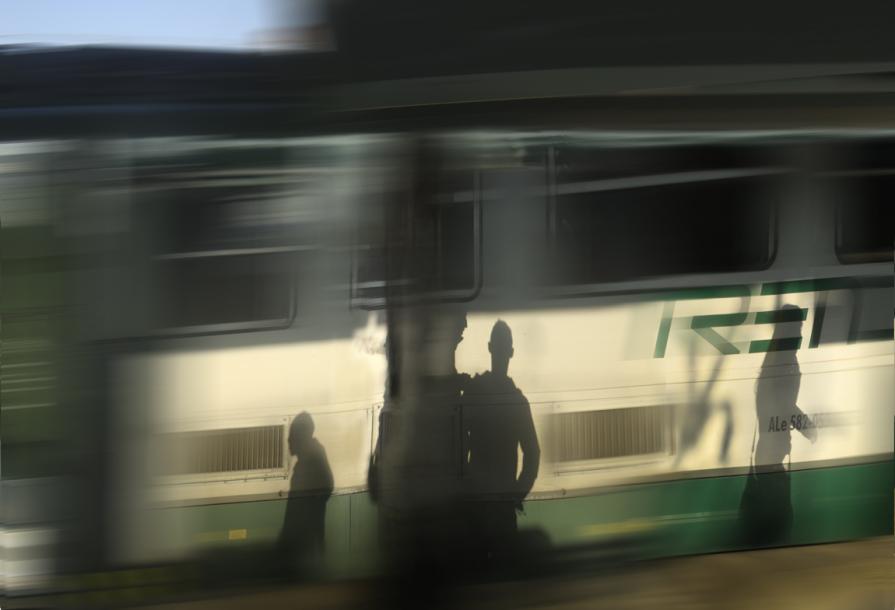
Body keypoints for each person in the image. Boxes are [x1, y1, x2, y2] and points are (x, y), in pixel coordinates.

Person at [463, 320, 539, 562]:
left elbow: (459, 445)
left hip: (476, 501)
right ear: (512, 352)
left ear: (489, 348)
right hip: (504, 505)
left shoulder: (473, 395)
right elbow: (533, 453)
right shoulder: (518, 402)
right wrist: (517, 494)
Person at [740, 305, 817, 545]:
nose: (801, 334)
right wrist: (808, 428)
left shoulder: (774, 356)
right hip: (773, 447)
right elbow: (785, 405)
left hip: (769, 445)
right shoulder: (784, 359)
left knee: (776, 507)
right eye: (798, 327)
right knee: (780, 516)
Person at [278, 412, 333, 577]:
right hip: (307, 543)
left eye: (292, 435)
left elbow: (297, 510)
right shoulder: (313, 457)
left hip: (305, 545)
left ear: (301, 437)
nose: (288, 441)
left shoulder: (311, 461)